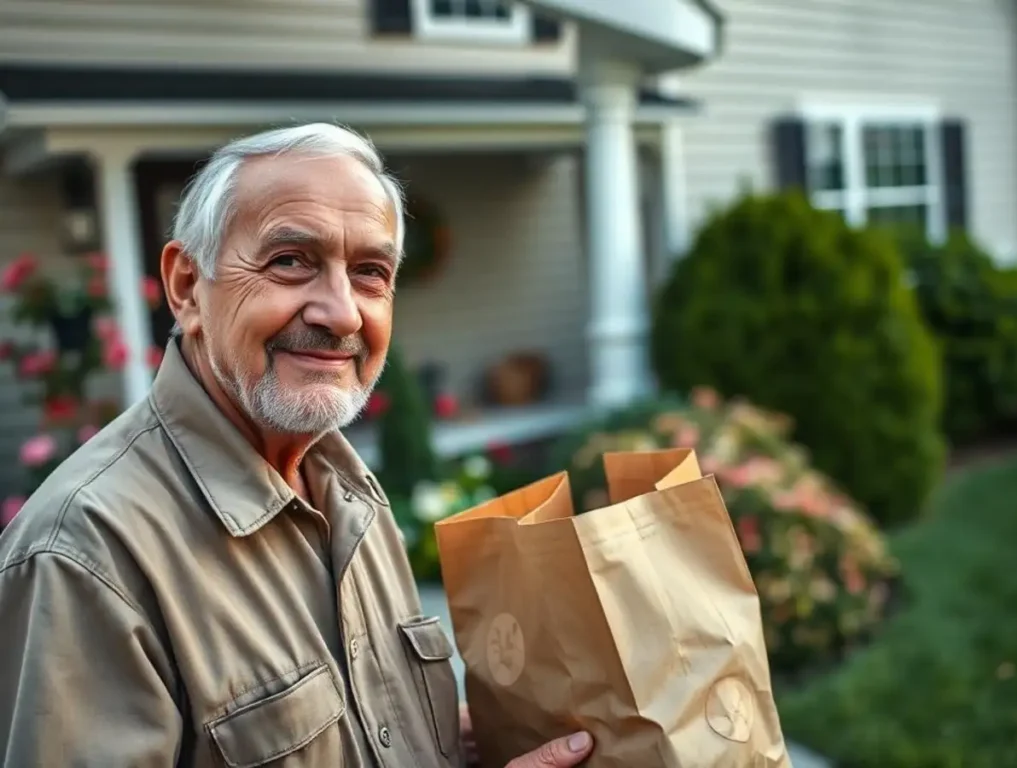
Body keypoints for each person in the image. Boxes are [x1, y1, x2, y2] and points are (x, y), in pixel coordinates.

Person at [0, 123, 593, 768]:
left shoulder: (346, 487)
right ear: (186, 287)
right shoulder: (85, 553)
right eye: (290, 261)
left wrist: (450, 737)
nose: (341, 313)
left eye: (370, 272)